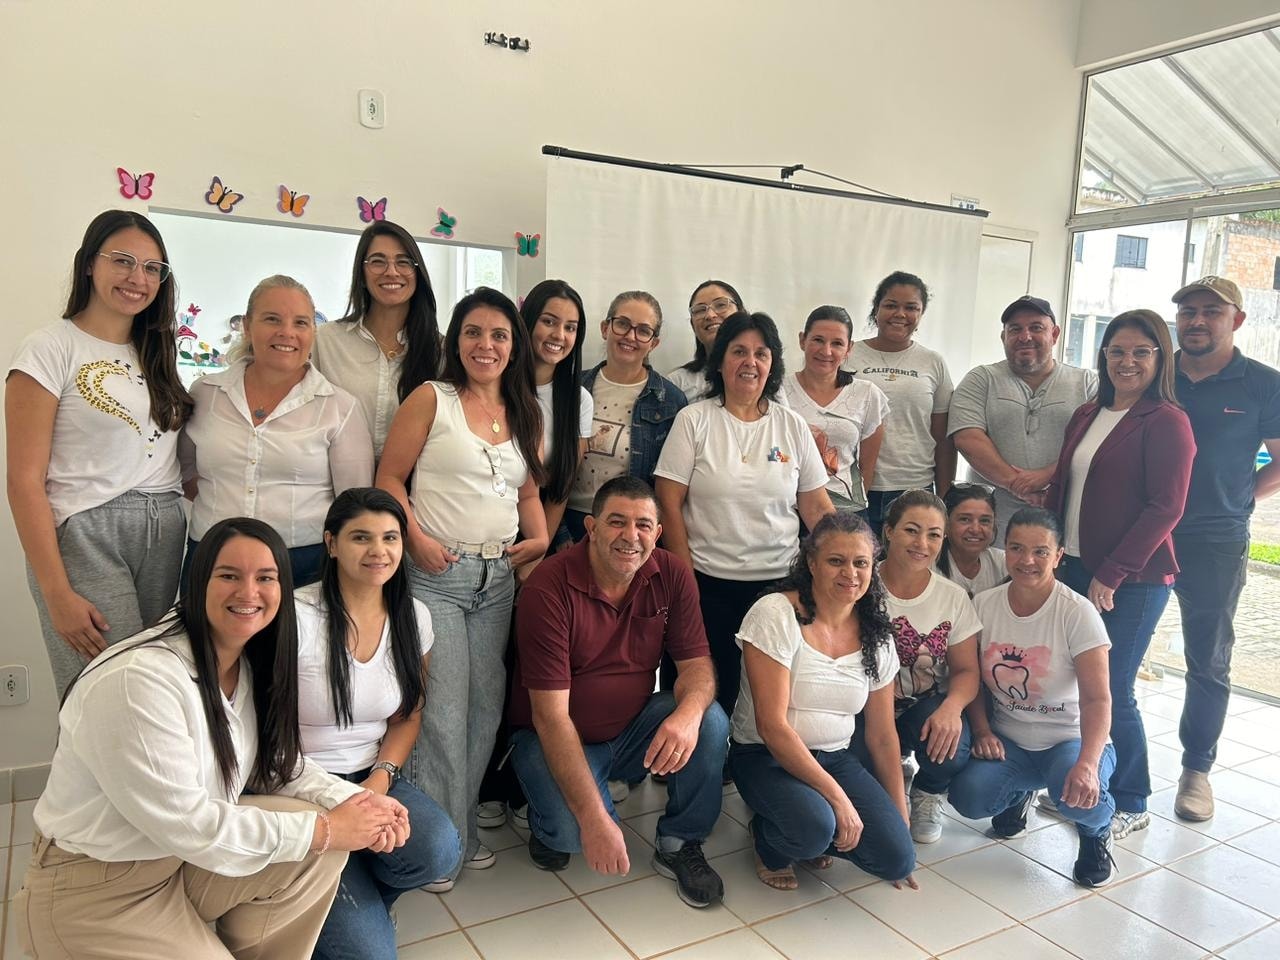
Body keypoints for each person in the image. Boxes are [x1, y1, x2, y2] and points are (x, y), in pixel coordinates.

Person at [14, 518, 410, 959]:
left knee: (318, 847)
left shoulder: (244, 663)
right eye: (229, 576)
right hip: (95, 893)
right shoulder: (140, 680)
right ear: (198, 582)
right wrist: (327, 829)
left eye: (266, 578)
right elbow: (193, 824)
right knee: (318, 836)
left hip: (177, 864)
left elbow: (277, 766)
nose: (249, 592)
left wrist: (358, 803)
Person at [376, 286, 549, 877]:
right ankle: (439, 847)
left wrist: (539, 539)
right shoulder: (433, 398)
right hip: (436, 576)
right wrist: (416, 540)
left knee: (484, 711)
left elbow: (528, 492)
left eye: (499, 335)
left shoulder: (525, 410)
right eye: (474, 332)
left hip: (497, 580)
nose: (486, 345)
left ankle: (460, 830)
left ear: (514, 346)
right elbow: (389, 478)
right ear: (455, 340)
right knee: (444, 714)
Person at [507, 477, 729, 908]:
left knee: (709, 719)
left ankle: (680, 841)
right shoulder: (548, 587)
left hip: (630, 730)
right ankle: (548, 818)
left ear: (657, 533)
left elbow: (697, 667)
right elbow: (551, 717)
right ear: (590, 528)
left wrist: (687, 716)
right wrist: (594, 820)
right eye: (616, 522)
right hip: (550, 736)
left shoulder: (672, 572)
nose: (631, 536)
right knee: (573, 834)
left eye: (643, 525)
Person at [6, 211, 191, 699]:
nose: (137, 278)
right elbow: (23, 481)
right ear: (90, 263)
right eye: (123, 261)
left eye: (152, 268)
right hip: (88, 531)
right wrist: (56, 593)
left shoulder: (157, 351)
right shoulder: (50, 348)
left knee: (147, 692)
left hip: (164, 529)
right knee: (106, 696)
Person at [1045, 309, 1194, 839]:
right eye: (1117, 351)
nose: (1127, 362)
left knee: (1113, 688)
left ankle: (1132, 798)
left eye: (1141, 352)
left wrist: (1112, 573)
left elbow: (1166, 507)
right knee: (1069, 682)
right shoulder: (1089, 413)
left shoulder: (1167, 420)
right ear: (1103, 356)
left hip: (1133, 580)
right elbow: (1064, 485)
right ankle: (1082, 782)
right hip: (1074, 566)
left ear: (1160, 359)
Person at [296, 489, 462, 957]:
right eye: (360, 537)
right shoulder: (295, 615)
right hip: (299, 786)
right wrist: (338, 801)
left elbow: (408, 715)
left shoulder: (414, 616)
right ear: (331, 543)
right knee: (371, 954)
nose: (378, 550)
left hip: (369, 776)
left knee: (440, 850)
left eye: (390, 537)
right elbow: (265, 732)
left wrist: (379, 781)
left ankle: (360, 892)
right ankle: (335, 901)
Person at [655, 311, 834, 717]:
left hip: (779, 589)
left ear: (772, 365)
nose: (750, 362)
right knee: (705, 700)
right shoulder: (693, 420)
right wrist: (685, 581)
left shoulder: (792, 425)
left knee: (769, 704)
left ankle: (752, 758)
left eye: (761, 353)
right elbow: (668, 502)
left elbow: (816, 507)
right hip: (707, 585)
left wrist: (851, 558)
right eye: (739, 351)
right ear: (720, 361)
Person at [729, 512, 917, 891]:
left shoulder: (876, 633)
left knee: (897, 858)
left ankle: (809, 826)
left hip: (834, 758)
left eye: (861, 563)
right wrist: (838, 800)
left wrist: (899, 820)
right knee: (813, 828)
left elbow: (882, 736)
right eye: (836, 561)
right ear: (811, 563)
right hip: (764, 756)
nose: (850, 573)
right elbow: (772, 726)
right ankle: (769, 840)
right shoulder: (776, 613)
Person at [949, 508, 1117, 888]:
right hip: (1011, 740)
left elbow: (1098, 700)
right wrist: (982, 730)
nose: (1027, 560)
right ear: (1004, 550)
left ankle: (1097, 831)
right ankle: (1020, 792)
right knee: (969, 797)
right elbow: (969, 676)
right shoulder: (984, 604)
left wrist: (1087, 763)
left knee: (1074, 797)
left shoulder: (1078, 613)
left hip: (1069, 738)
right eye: (1016, 548)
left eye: (1040, 551)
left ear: (1058, 556)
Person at [1168, 276, 1280, 821]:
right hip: (1142, 533)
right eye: (1187, 311)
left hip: (1215, 539)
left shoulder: (1263, 383)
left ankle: (1196, 769)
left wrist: (1239, 498)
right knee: (1108, 650)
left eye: (1210, 311)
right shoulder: (1153, 371)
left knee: (1208, 658)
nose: (1196, 320)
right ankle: (1098, 757)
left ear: (1236, 319)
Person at [181, 275, 374, 587]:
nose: (287, 332)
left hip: (303, 565)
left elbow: (353, 503)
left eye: (301, 323)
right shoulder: (205, 393)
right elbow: (186, 472)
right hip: (211, 557)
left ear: (313, 332)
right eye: (272, 319)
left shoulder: (340, 407)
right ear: (247, 326)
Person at [873, 489, 981, 844]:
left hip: (920, 706)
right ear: (889, 531)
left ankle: (927, 791)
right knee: (860, 772)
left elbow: (966, 670)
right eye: (911, 530)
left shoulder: (952, 596)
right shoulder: (861, 583)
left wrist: (952, 708)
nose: (922, 543)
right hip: (863, 708)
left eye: (934, 534)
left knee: (952, 745)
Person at [949, 296, 1097, 524]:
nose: (1025, 337)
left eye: (1036, 328)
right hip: (990, 525)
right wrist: (1016, 484)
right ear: (1003, 337)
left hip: (1063, 518)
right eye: (1015, 329)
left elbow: (1096, 442)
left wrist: (1049, 475)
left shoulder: (1087, 383)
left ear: (1055, 334)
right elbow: (967, 438)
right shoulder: (981, 379)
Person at [312, 220, 442, 459]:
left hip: (414, 480)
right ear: (361, 274)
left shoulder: (440, 350)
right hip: (336, 476)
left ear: (417, 273)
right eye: (378, 261)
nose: (391, 271)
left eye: (403, 261)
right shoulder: (326, 340)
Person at [565, 290, 687, 540]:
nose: (630, 336)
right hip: (567, 521)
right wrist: (560, 535)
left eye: (643, 330)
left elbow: (667, 489)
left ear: (654, 343)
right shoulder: (571, 389)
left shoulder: (670, 401)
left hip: (628, 531)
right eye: (622, 324)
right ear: (605, 328)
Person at [844, 271, 955, 531]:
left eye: (911, 307)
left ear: (921, 314)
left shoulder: (933, 362)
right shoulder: (847, 354)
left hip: (915, 489)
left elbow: (943, 439)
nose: (900, 314)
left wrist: (945, 498)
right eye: (891, 305)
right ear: (876, 309)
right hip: (854, 486)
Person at [781, 305, 890, 516]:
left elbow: (867, 467)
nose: (826, 351)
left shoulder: (867, 394)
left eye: (837, 343)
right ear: (802, 340)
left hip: (847, 514)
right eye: (818, 340)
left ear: (849, 348)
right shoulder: (778, 392)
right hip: (790, 511)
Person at [523, 279, 593, 553]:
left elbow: (560, 490)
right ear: (528, 321)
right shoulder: (496, 385)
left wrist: (536, 555)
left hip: (538, 526)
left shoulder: (579, 400)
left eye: (570, 328)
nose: (559, 335)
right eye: (549, 322)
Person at [667, 280, 745, 402]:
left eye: (721, 305)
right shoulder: (676, 383)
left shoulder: (762, 374)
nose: (710, 315)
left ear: (742, 313)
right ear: (693, 325)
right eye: (700, 310)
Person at [936, 483, 1006, 597]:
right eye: (965, 519)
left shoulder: (1004, 563)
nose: (975, 529)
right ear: (946, 523)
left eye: (984, 521)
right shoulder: (928, 567)